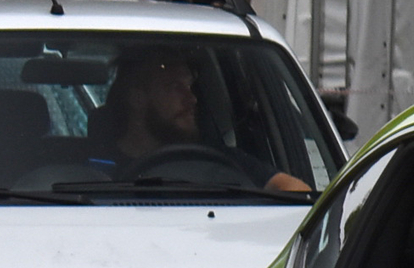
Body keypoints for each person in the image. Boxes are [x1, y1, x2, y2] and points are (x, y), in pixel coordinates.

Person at [86, 45, 310, 192]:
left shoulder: (220, 161)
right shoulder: (85, 166)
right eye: (174, 87)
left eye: (190, 86)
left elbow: (296, 191)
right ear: (137, 99)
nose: (192, 99)